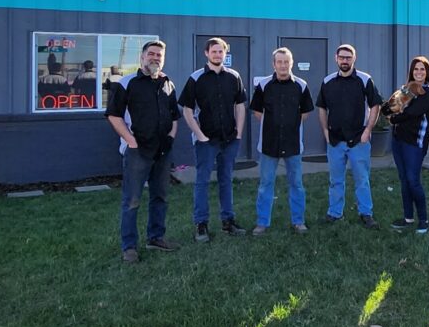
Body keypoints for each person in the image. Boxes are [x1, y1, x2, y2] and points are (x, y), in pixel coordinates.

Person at [105, 40, 180, 263]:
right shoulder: (127, 83)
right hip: (137, 151)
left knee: (160, 197)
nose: (155, 58)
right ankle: (129, 247)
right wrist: (131, 141)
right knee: (132, 200)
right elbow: (113, 115)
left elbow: (174, 116)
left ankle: (156, 237)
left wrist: (171, 137)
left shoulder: (168, 84)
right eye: (151, 54)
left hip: (162, 151)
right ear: (142, 57)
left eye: (159, 55)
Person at [178, 37, 248, 241]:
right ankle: (201, 224)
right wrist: (200, 135)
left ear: (225, 54)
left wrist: (239, 133)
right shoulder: (196, 78)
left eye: (221, 51)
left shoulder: (234, 76)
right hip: (206, 141)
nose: (218, 55)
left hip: (229, 139)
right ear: (206, 53)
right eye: (214, 51)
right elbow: (187, 109)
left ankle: (228, 221)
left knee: (226, 180)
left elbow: (240, 106)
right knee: (202, 182)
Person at [315, 44, 383, 229]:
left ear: (354, 58)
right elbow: (321, 107)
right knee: (336, 180)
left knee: (362, 180)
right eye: (342, 57)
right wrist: (325, 132)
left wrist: (368, 130)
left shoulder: (364, 79)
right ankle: (334, 213)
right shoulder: (328, 81)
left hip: (358, 139)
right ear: (336, 58)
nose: (345, 61)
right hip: (335, 140)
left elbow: (375, 105)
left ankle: (366, 213)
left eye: (348, 57)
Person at [249, 48, 315, 236]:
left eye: (286, 62)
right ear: (274, 64)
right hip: (268, 145)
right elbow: (257, 112)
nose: (283, 65)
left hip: (293, 144)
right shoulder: (263, 85)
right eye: (279, 62)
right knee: (265, 185)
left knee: (297, 184)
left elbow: (305, 113)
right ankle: (262, 223)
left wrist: (289, 125)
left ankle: (298, 222)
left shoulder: (301, 85)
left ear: (291, 63)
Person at [387, 56, 429, 234]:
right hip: (398, 140)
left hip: (415, 142)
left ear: (427, 72)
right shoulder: (406, 89)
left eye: (422, 69)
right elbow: (388, 107)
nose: (419, 72)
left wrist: (394, 118)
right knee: (404, 179)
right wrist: (392, 112)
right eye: (416, 69)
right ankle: (408, 218)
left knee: (413, 180)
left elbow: (413, 112)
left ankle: (424, 220)